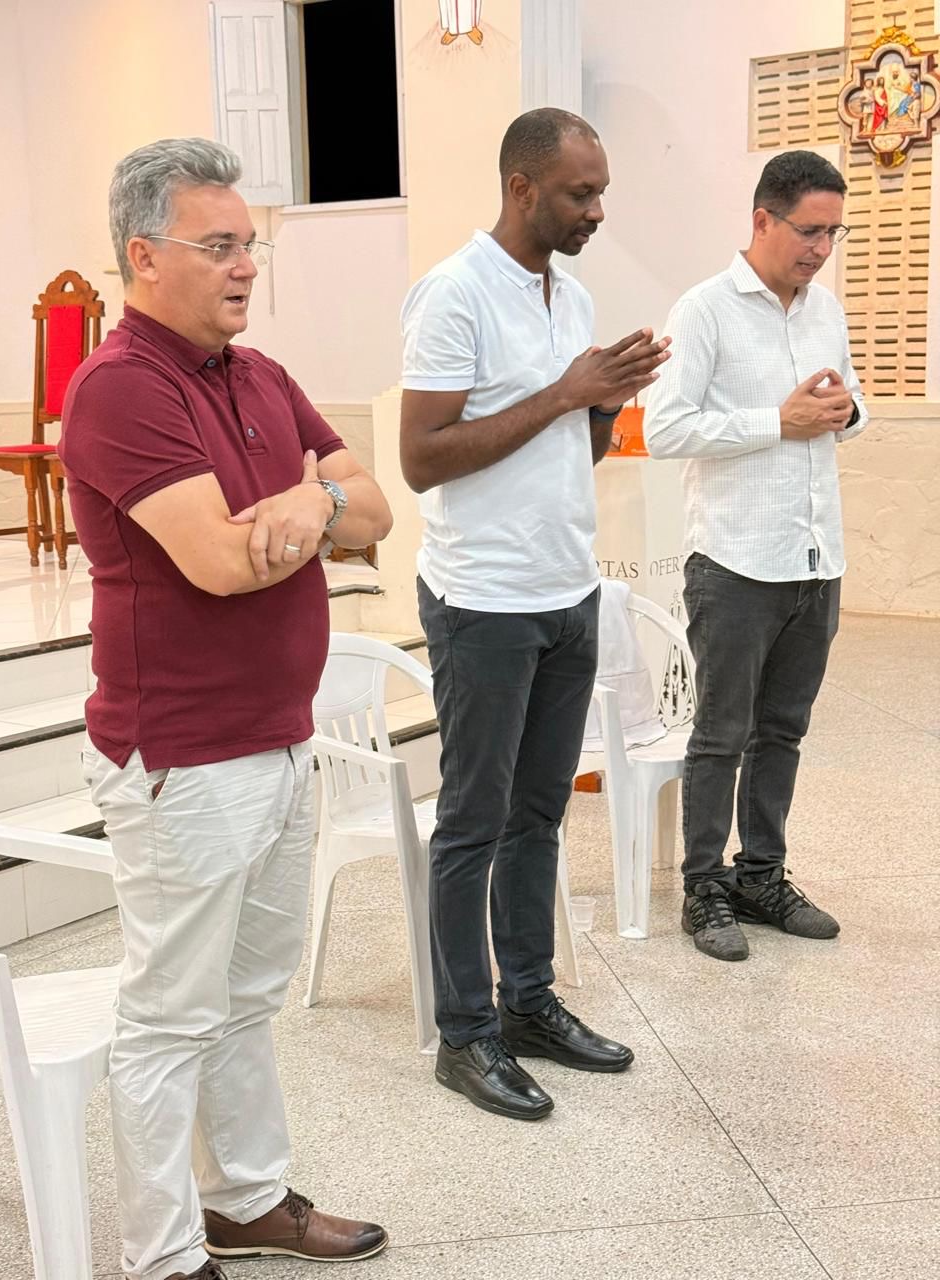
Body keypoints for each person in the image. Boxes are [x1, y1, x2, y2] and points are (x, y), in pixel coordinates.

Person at [59, 137, 393, 1280]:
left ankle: (244, 1200)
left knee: (247, 995)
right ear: (145, 256)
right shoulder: (120, 387)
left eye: (251, 244)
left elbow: (375, 508)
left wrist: (311, 504)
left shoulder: (261, 376)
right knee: (169, 1014)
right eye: (219, 246)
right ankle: (160, 1253)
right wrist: (313, 500)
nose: (247, 265)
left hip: (280, 736)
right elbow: (219, 561)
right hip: (185, 755)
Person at [399, 108, 670, 1120]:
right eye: (579, 193)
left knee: (540, 814)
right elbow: (421, 457)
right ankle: (464, 1032)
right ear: (522, 188)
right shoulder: (455, 292)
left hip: (566, 588)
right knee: (473, 820)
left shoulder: (572, 292)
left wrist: (603, 402)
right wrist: (564, 393)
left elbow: (573, 453)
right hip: (483, 598)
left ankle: (527, 1001)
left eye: (601, 192)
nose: (596, 210)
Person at [643, 150, 867, 963]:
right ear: (762, 219)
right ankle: (703, 887)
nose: (821, 248)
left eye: (834, 233)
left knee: (783, 732)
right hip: (735, 561)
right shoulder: (705, 310)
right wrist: (778, 421)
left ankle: (761, 876)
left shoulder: (825, 310)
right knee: (722, 734)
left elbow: (850, 403)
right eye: (809, 231)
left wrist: (846, 412)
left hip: (815, 556)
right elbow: (664, 428)